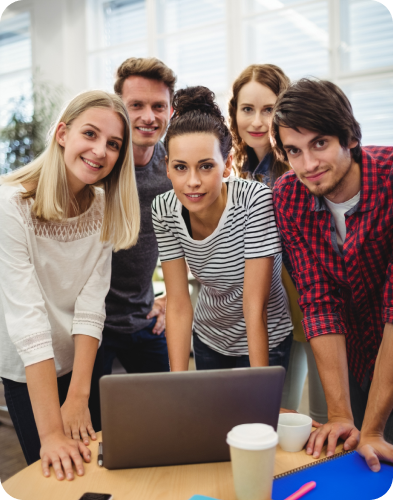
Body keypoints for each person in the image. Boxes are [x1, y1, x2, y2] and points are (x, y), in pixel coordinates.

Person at [0, 90, 140, 480]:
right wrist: (51, 432)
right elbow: (29, 322)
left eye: (113, 144)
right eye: (90, 134)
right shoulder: (10, 206)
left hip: (80, 363)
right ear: (62, 133)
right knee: (56, 473)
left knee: (93, 474)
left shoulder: (102, 208)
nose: (100, 151)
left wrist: (78, 395)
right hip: (30, 369)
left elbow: (91, 306)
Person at [271, 78, 393, 472]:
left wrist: (373, 427)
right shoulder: (288, 196)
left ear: (350, 137)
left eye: (319, 143)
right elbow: (318, 300)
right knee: (361, 459)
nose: (308, 165)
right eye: (294, 150)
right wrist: (343, 416)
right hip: (357, 357)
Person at [151, 85, 293, 372]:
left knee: (259, 414)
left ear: (227, 164)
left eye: (206, 166)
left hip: (267, 337)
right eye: (180, 167)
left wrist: (260, 384)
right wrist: (178, 383)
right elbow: (178, 304)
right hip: (210, 337)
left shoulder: (255, 201)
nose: (192, 181)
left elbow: (255, 307)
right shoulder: (164, 209)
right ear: (167, 167)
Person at [228, 63, 327, 422]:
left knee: (325, 414)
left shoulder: (299, 166)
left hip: (313, 302)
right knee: (275, 411)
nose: (256, 122)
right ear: (234, 113)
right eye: (247, 110)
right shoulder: (240, 171)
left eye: (268, 110)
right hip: (272, 310)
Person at [102, 57, 175, 375]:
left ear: (171, 110)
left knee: (169, 412)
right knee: (95, 422)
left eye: (159, 106)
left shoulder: (175, 167)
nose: (149, 117)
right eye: (136, 105)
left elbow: (194, 235)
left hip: (144, 319)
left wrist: (170, 298)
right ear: (119, 108)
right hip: (93, 323)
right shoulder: (98, 165)